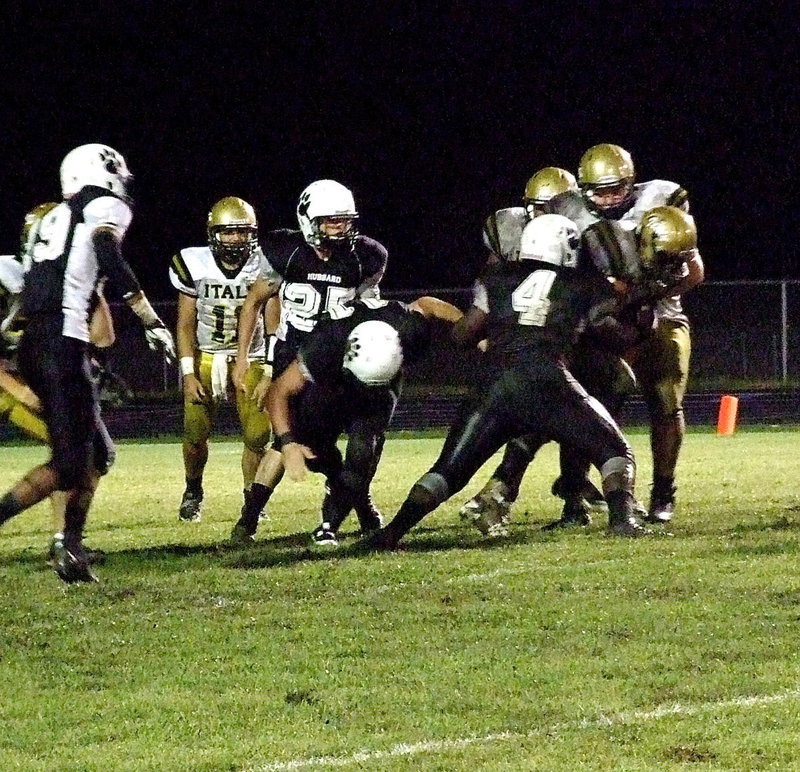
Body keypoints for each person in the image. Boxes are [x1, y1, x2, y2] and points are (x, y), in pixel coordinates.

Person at [367, 215, 648, 551]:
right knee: (616, 451)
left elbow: (461, 335)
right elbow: (613, 336)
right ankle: (623, 521)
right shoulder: (582, 284)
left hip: (494, 383)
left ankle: (391, 533)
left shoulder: (496, 277)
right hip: (548, 381)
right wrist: (642, 321)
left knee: (448, 471)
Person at [0, 143, 176, 583]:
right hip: (59, 341)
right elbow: (106, 249)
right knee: (69, 463)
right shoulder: (104, 206)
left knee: (93, 455)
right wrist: (147, 314)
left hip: (43, 343)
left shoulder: (53, 218)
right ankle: (65, 546)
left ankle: (71, 548)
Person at [547, 144, 704, 523]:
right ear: (583, 189)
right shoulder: (567, 209)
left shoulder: (660, 199)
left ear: (631, 182)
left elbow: (695, 273)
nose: (610, 197)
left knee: (667, 401)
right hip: (602, 321)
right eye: (600, 191)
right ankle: (575, 495)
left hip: (660, 315)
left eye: (617, 188)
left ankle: (663, 492)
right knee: (588, 407)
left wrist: (643, 294)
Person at [229, 180, 387, 540]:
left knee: (356, 441)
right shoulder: (286, 252)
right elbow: (254, 302)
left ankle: (252, 519)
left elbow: (369, 309)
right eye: (332, 222)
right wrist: (247, 358)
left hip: (340, 360)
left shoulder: (365, 257)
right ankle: (250, 518)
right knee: (290, 439)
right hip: (295, 358)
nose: (341, 229)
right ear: (308, 220)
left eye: (345, 221)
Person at [246, 296, 461, 547]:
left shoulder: (405, 327)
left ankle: (329, 526)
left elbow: (429, 304)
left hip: (383, 390)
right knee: (314, 450)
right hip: (333, 385)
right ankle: (344, 491)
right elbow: (279, 391)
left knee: (362, 452)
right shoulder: (328, 341)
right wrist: (287, 442)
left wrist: (476, 333)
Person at [459, 166, 582, 533]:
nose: (543, 216)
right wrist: (491, 333)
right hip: (525, 342)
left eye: (553, 208)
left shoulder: (583, 234)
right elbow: (492, 283)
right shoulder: (507, 229)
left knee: (593, 399)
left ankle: (561, 489)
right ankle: (509, 489)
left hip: (567, 336)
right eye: (537, 207)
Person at [169, 196, 274, 522]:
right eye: (228, 232)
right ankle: (193, 489)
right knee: (195, 433)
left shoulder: (266, 263)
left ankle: (251, 500)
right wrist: (188, 373)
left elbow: (273, 316)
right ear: (213, 233)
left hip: (252, 356)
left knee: (258, 435)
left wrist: (269, 363)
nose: (235, 240)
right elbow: (185, 324)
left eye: (242, 232)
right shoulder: (193, 263)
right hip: (205, 356)